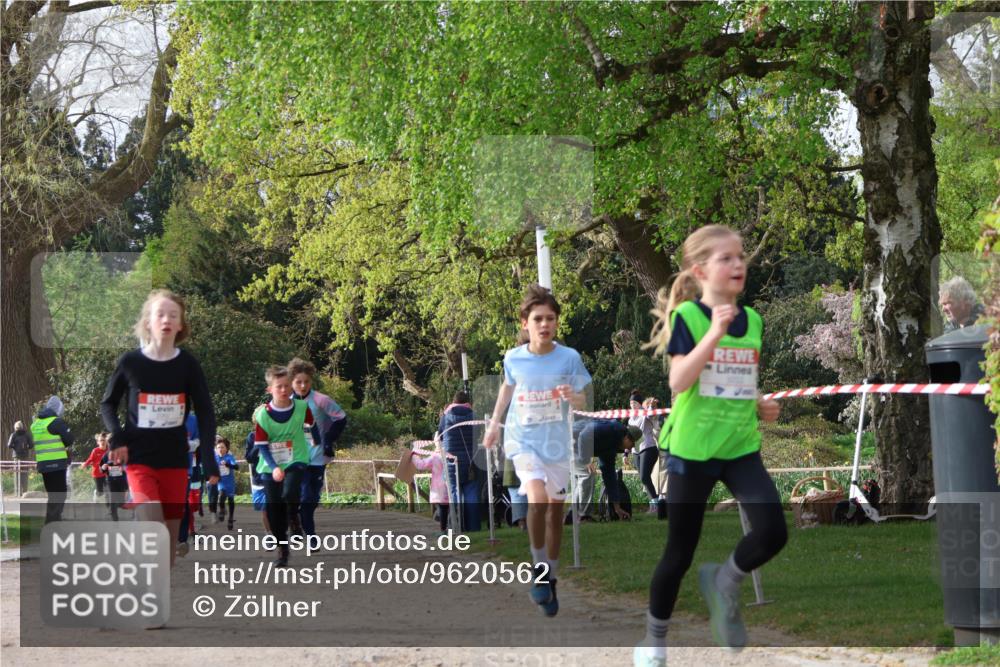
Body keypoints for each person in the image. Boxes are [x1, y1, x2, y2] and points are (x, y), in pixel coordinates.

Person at [634, 225, 786, 667]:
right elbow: (679, 381)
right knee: (679, 553)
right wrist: (713, 334)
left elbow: (731, 376)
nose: (738, 265)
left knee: (773, 532)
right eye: (726, 258)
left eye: (741, 257)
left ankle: (725, 581)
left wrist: (759, 402)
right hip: (692, 449)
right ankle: (654, 641)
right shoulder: (690, 319)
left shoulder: (753, 320)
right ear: (700, 271)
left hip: (739, 445)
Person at [484, 284, 592, 618]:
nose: (545, 325)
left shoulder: (569, 358)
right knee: (536, 499)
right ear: (525, 323)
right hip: (523, 440)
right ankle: (539, 569)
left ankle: (551, 576)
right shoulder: (513, 357)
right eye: (538, 319)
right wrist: (494, 425)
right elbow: (507, 387)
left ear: (557, 322)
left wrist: (571, 397)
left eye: (551, 319)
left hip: (557, 443)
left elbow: (583, 398)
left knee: (556, 517)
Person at [100, 289, 220, 571]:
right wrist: (116, 437)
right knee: (152, 523)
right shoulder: (131, 362)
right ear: (148, 322)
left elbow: (205, 411)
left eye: (173, 315)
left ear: (181, 325)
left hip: (175, 460)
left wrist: (208, 456)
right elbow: (108, 404)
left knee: (167, 535)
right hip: (140, 458)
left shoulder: (187, 364)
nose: (166, 319)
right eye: (160, 314)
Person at [254, 365, 318, 566]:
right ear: (269, 390)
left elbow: (312, 424)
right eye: (278, 386)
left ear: (291, 387)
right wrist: (273, 467)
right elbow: (262, 446)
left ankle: (294, 519)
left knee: (290, 491)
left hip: (296, 458)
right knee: (274, 509)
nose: (283, 390)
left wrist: (318, 443)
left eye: (286, 386)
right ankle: (283, 551)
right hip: (270, 464)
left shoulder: (301, 408)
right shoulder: (262, 415)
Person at [288, 357, 347, 538]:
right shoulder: (286, 401)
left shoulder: (321, 400)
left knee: (312, 499)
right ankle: (309, 534)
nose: (303, 386)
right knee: (304, 495)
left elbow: (341, 418)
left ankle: (298, 520)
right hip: (296, 458)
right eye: (298, 382)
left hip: (318, 456)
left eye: (306, 382)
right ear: (292, 382)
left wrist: (329, 439)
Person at [569, 419, 637, 522]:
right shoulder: (610, 429)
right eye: (632, 446)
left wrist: (617, 508)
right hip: (568, 440)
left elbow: (609, 477)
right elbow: (584, 435)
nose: (631, 449)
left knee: (583, 478)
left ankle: (570, 516)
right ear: (627, 438)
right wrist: (586, 461)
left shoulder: (612, 446)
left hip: (575, 445)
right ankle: (583, 516)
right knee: (587, 473)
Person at [437, 391, 481, 532]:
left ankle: (455, 525)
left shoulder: (446, 416)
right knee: (471, 493)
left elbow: (440, 436)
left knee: (453, 492)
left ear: (453, 401)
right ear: (468, 402)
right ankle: (473, 527)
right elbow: (478, 434)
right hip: (471, 460)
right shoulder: (474, 416)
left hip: (451, 460)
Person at [30, 395, 75, 524]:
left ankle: (53, 520)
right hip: (57, 463)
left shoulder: (36, 424)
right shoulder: (55, 422)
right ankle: (52, 522)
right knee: (60, 494)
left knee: (53, 495)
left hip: (44, 464)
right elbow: (69, 439)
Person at [630, 397, 663, 513]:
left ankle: (656, 504)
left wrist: (651, 405)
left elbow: (651, 413)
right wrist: (625, 454)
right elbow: (628, 436)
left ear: (640, 405)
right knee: (644, 479)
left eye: (635, 403)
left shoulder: (645, 415)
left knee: (644, 476)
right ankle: (653, 505)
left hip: (648, 448)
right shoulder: (630, 418)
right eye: (631, 403)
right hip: (635, 451)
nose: (632, 405)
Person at [411, 444, 450, 533]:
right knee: (450, 507)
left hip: (439, 486)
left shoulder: (435, 457)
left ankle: (443, 529)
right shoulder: (451, 454)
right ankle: (451, 526)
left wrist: (414, 456)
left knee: (443, 508)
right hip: (451, 484)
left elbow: (421, 465)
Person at [215, 437, 238, 529]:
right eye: (218, 447)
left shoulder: (229, 457)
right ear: (216, 449)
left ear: (226, 448)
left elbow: (236, 467)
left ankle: (230, 518)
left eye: (222, 447)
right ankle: (222, 509)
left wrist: (228, 465)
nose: (220, 449)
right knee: (221, 495)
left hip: (230, 482)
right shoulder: (215, 458)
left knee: (230, 500)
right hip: (221, 482)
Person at [99, 448, 129, 521]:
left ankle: (115, 507)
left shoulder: (123, 452)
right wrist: (104, 467)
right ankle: (114, 517)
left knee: (121, 502)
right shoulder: (106, 455)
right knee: (113, 499)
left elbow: (129, 465)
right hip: (111, 480)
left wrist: (124, 468)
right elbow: (101, 469)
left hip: (122, 480)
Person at [83, 432, 110, 505]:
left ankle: (108, 504)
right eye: (101, 440)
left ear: (106, 441)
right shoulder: (95, 451)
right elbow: (90, 459)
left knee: (108, 489)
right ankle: (96, 493)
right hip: (97, 474)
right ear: (98, 442)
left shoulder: (108, 450)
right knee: (100, 491)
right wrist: (85, 465)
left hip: (106, 474)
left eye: (104, 440)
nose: (102, 442)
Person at [7, 421, 32, 496]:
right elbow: (31, 445)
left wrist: (15, 447)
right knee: (24, 473)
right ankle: (25, 492)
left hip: (16, 457)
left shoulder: (13, 435)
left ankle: (17, 492)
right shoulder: (27, 434)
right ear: (22, 427)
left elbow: (9, 445)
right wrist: (26, 448)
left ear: (15, 427)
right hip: (25, 456)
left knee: (17, 473)